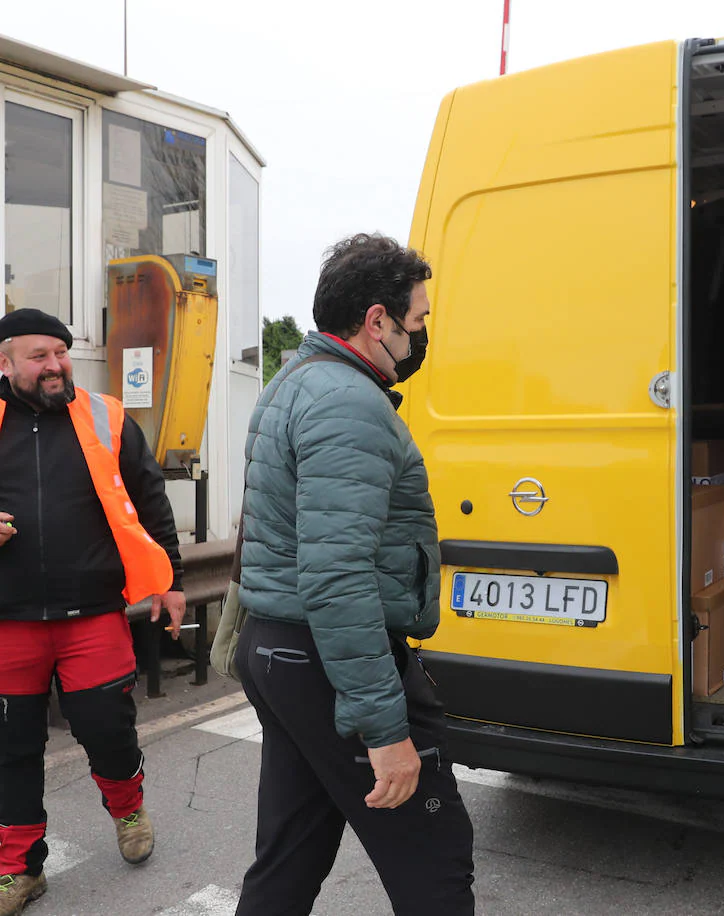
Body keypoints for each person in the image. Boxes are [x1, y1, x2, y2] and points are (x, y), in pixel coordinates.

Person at [232, 233, 474, 915]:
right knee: (435, 857)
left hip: (283, 649)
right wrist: (385, 731)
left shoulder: (297, 380)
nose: (422, 333)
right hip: (325, 661)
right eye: (417, 320)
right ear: (377, 322)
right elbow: (338, 574)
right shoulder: (350, 405)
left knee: (291, 851)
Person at [0, 309, 185, 916]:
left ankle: (127, 808)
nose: (56, 365)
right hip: (8, 622)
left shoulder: (105, 416)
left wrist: (172, 580)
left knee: (108, 729)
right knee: (11, 748)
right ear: (5, 364)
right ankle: (18, 867)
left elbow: (150, 497)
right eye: (39, 356)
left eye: (61, 351)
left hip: (93, 615)